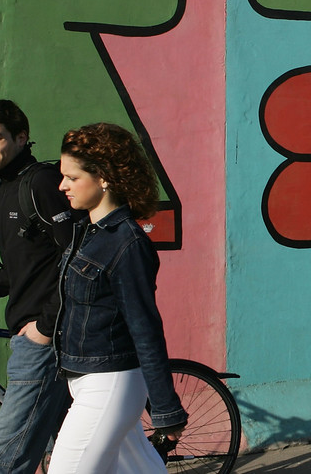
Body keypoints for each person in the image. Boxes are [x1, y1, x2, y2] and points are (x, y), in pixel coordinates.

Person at [49, 122, 186, 473]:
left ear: (104, 177)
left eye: (72, 178)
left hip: (110, 383)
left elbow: (145, 328)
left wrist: (164, 407)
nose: (62, 185)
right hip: (84, 378)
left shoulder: (127, 245)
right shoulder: (87, 232)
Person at [0, 99, 74, 474]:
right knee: (79, 449)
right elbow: (18, 267)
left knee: (1, 461)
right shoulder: (3, 189)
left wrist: (45, 326)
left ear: (21, 137)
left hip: (44, 338)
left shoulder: (39, 183)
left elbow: (80, 258)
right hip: (32, 332)